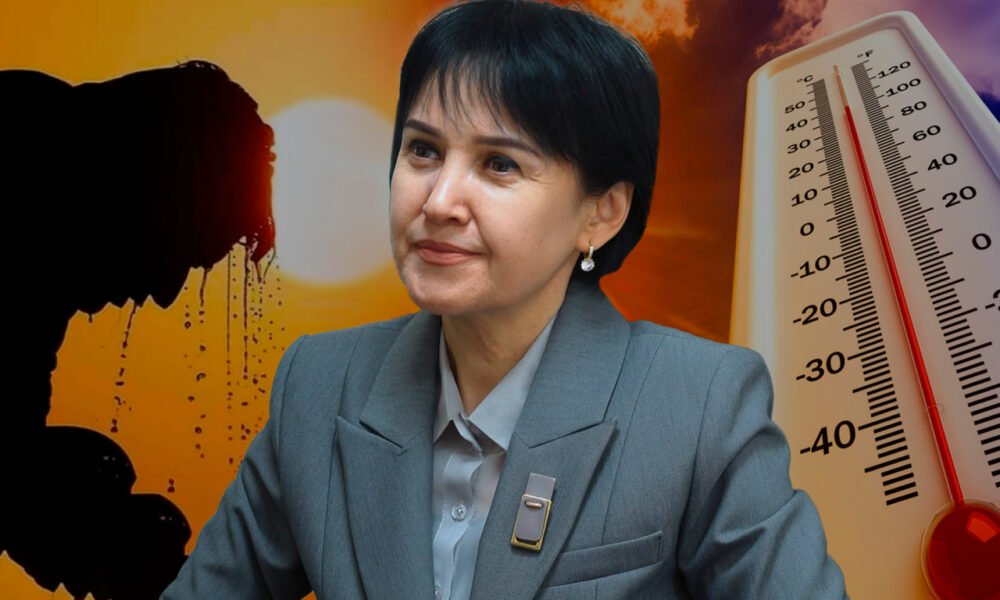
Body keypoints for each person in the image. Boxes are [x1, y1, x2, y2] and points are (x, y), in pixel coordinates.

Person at [162, 1, 848, 598]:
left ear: (602, 212)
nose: (438, 202)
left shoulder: (700, 407)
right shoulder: (317, 386)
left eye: (499, 164)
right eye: (423, 151)